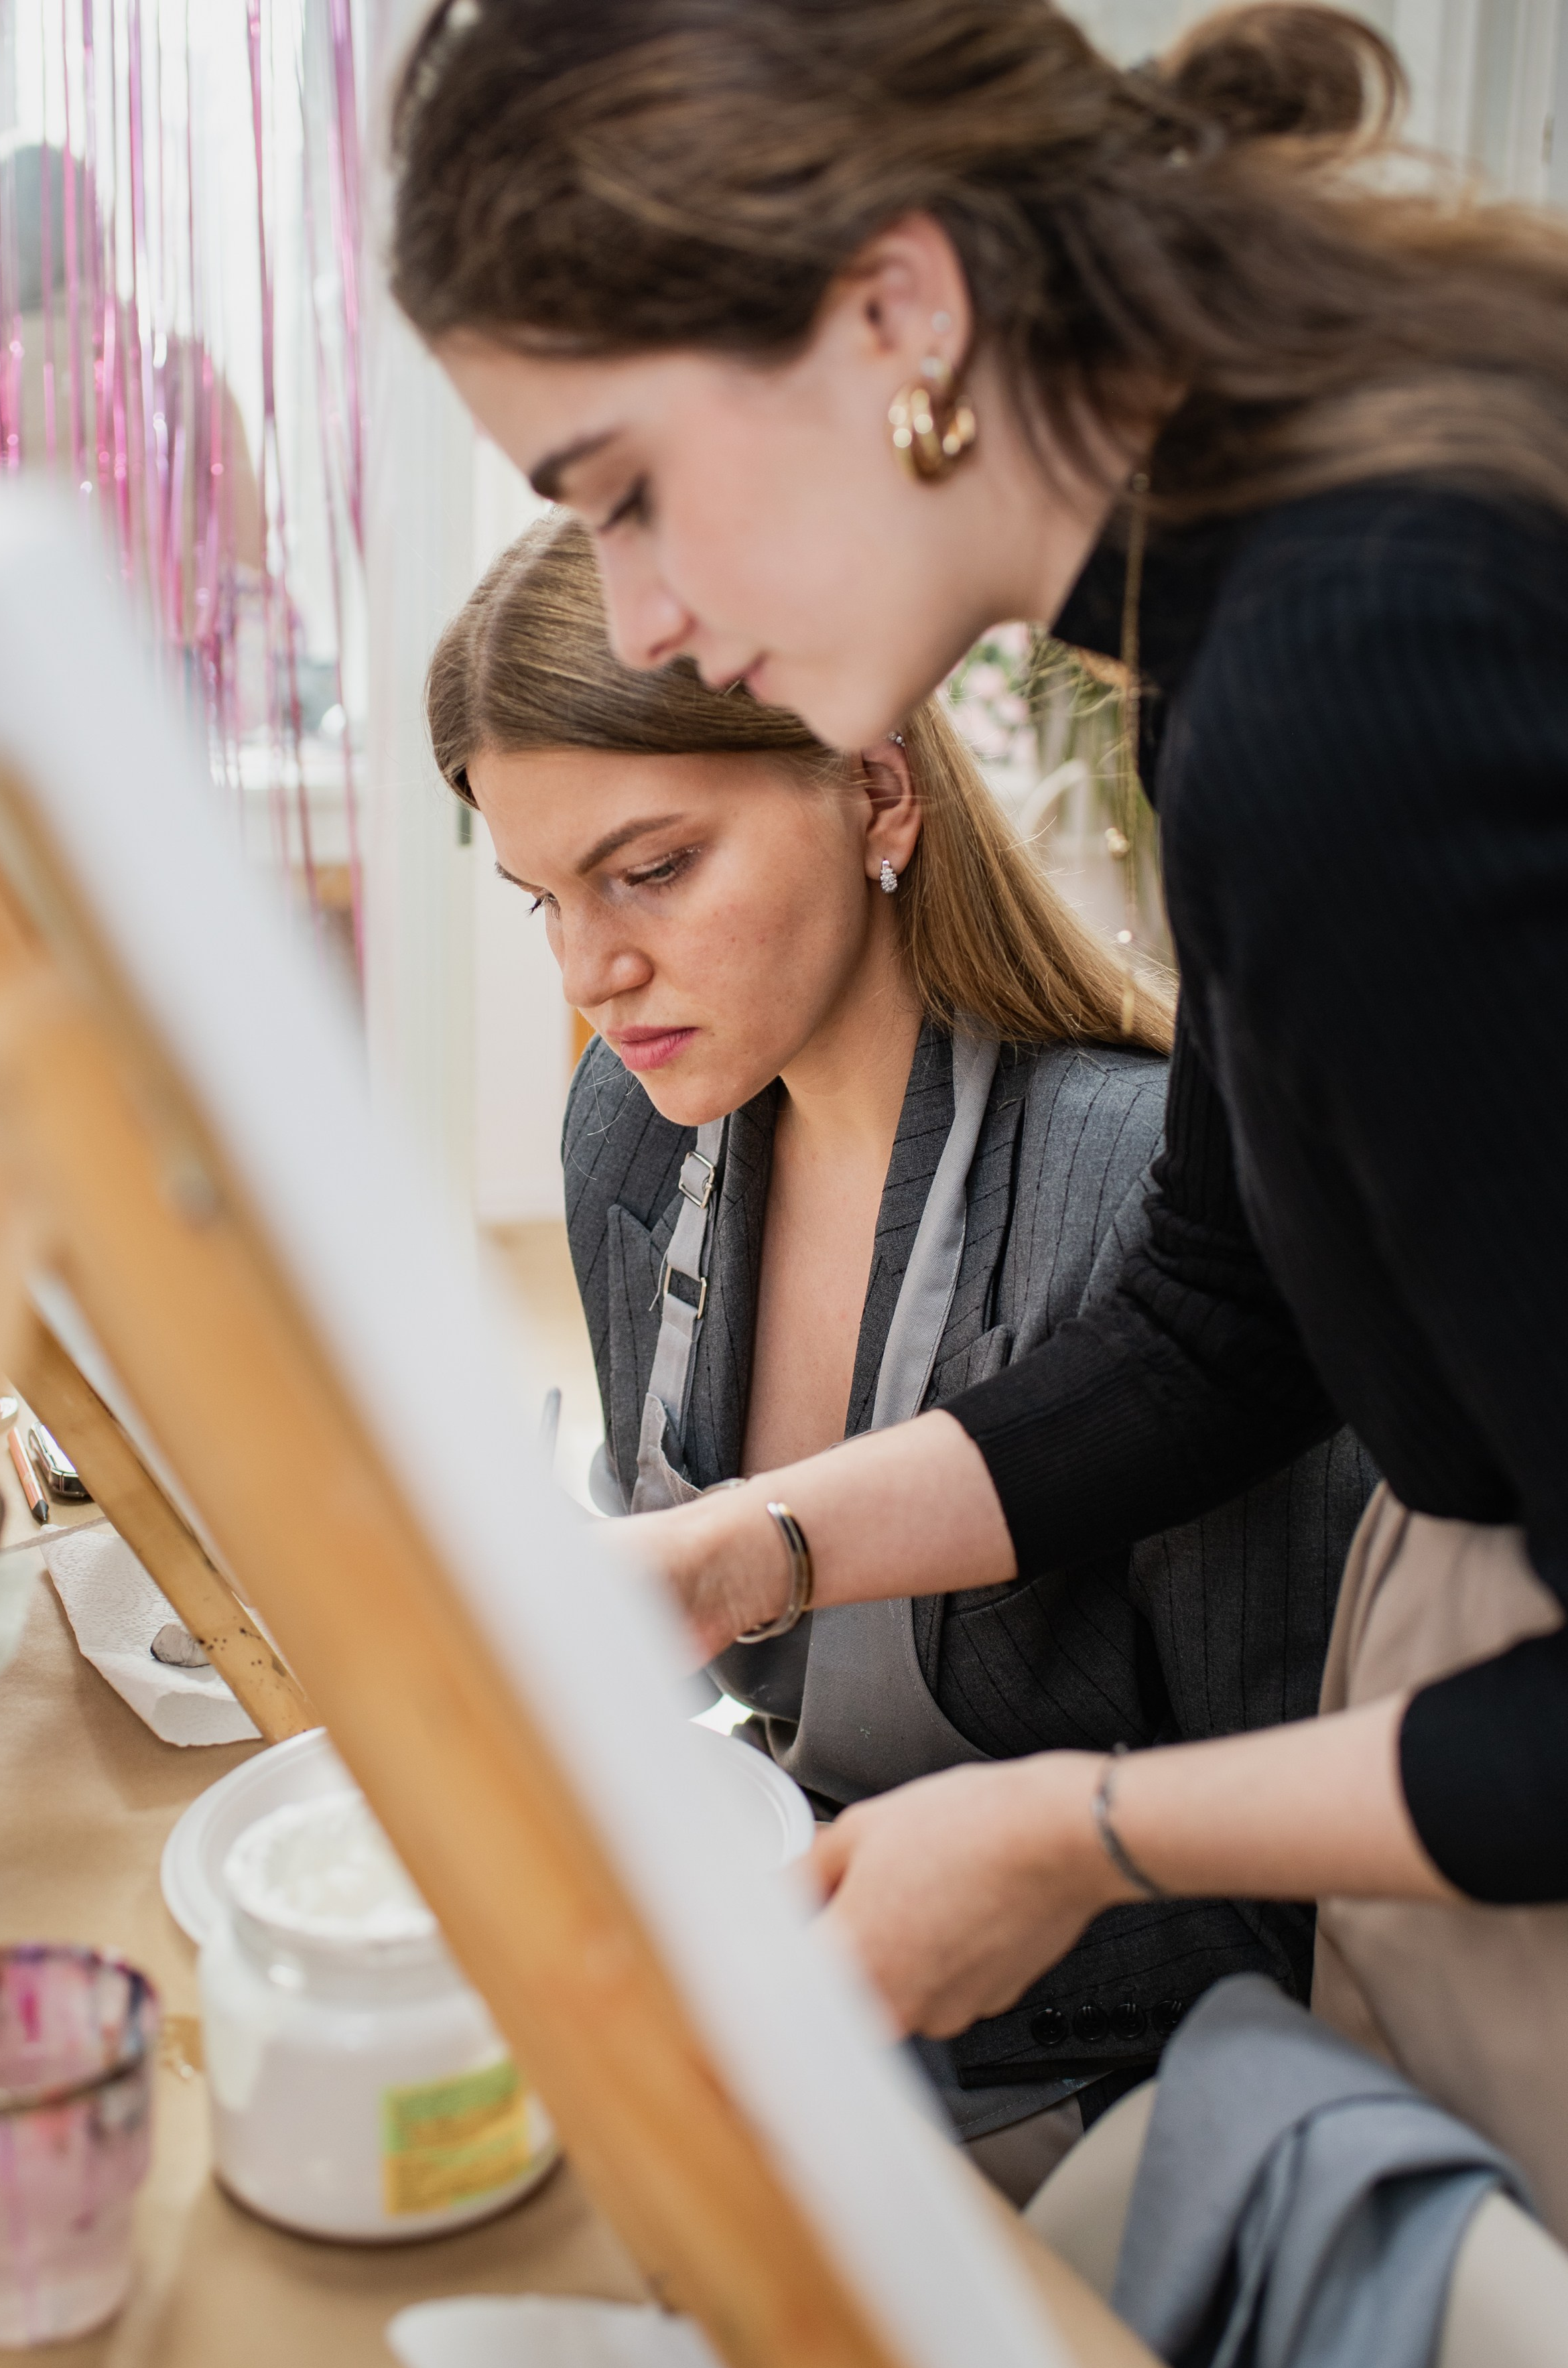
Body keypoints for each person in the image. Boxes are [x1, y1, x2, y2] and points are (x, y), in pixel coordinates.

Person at [391, 0, 1568, 2232]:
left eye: (628, 491)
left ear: (905, 312)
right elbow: (1224, 1321)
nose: (641, 611)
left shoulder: (1347, 689)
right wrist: (747, 1549)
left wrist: (1078, 1835)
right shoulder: (1248, 633)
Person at [428, 513, 1372, 2191]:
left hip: (1105, 2116)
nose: (593, 970)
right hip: (787, 2013)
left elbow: (1295, 1905)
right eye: (542, 899)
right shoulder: (629, 1134)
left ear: (876, 791)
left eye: (652, 869)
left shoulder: (1148, 1208)